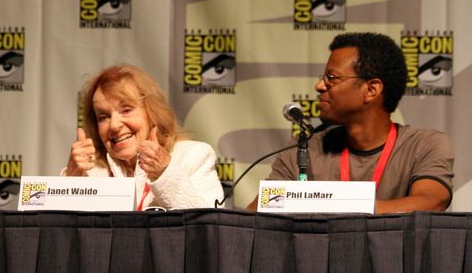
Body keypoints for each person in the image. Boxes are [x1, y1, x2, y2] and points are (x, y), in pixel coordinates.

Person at [247, 32, 453, 213]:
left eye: (331, 78)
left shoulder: (424, 145)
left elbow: (431, 201)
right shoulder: (303, 149)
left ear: (371, 89)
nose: (319, 86)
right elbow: (256, 213)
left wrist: (340, 208)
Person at [62, 64, 224, 210]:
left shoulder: (193, 157)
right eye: (103, 117)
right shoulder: (90, 172)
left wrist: (164, 173)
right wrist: (73, 179)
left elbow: (212, 228)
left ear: (151, 112)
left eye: (126, 110)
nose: (114, 125)